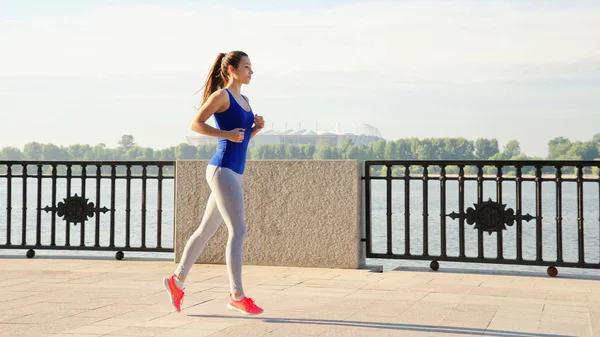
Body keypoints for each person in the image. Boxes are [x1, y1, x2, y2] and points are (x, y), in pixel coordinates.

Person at [163, 51, 265, 315]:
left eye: (251, 68)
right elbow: (196, 124)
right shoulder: (221, 96)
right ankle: (237, 295)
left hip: (233, 171)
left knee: (206, 230)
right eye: (246, 67)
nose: (251, 72)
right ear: (231, 69)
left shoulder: (245, 99)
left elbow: (239, 139)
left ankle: (177, 280)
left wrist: (254, 130)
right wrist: (225, 134)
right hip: (221, 170)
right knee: (238, 230)